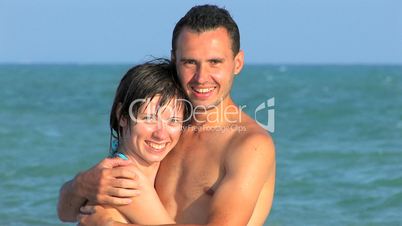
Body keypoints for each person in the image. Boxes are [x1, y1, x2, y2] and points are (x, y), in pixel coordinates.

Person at [58, 5, 276, 226]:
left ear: (237, 63)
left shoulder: (249, 145)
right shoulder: (168, 129)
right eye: (190, 62)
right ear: (175, 60)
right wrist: (83, 184)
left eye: (214, 62)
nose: (202, 77)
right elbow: (65, 212)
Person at [58, 59, 188, 224]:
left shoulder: (114, 170)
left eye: (173, 121)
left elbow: (64, 213)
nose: (161, 134)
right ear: (123, 116)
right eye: (148, 118)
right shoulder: (127, 182)